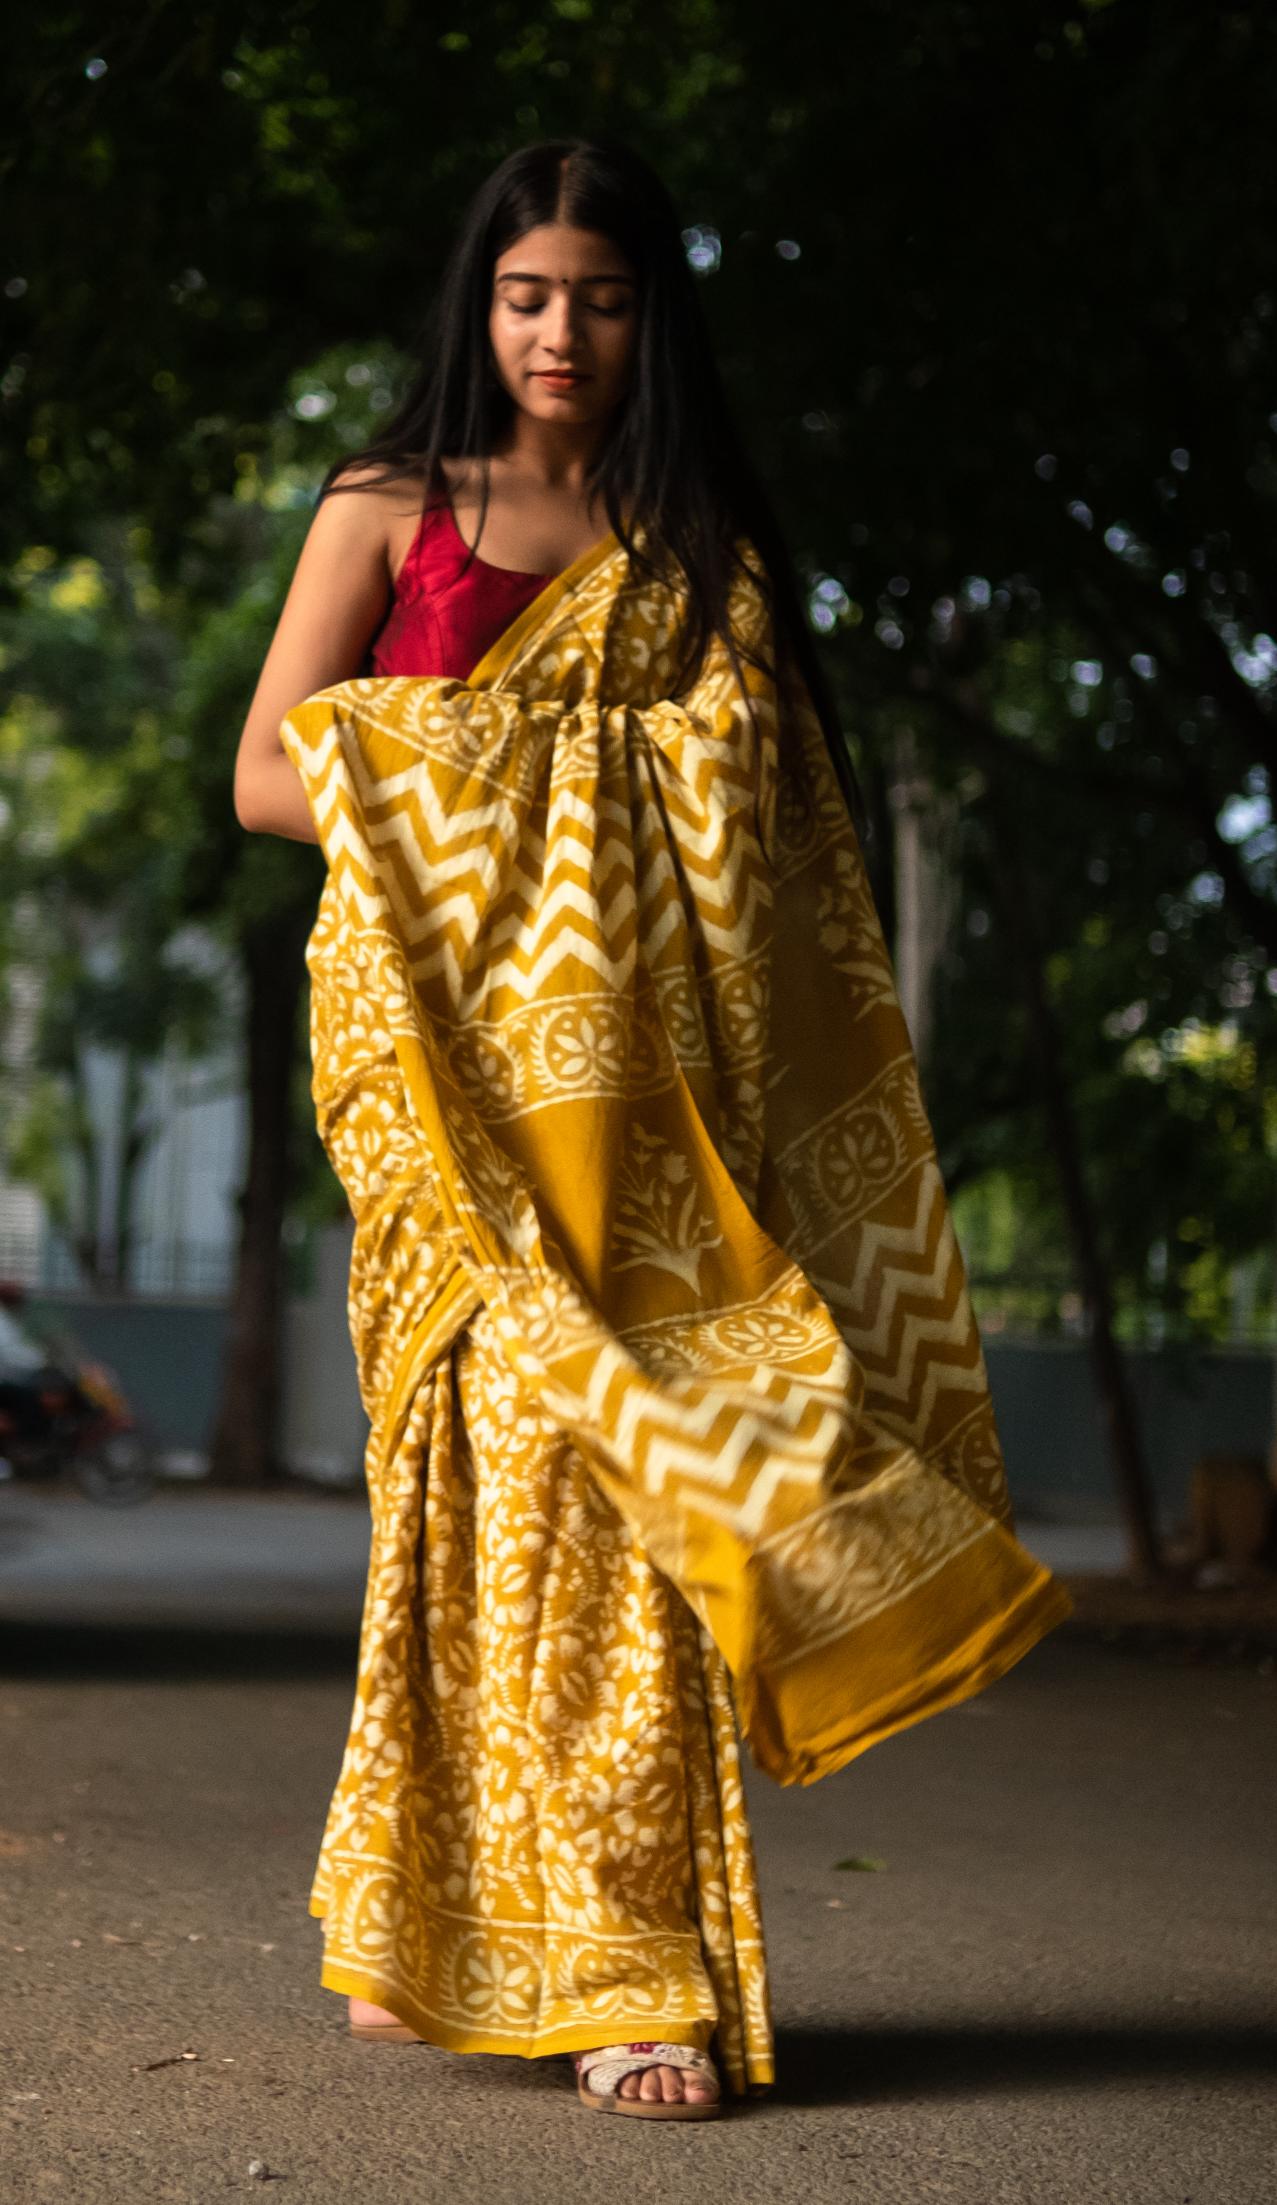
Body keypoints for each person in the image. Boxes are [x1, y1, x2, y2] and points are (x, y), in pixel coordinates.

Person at [234, 134, 1072, 2123]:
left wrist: (550, 784)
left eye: (600, 299)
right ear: (481, 303)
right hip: (426, 1064)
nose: (560, 333)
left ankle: (605, 1957)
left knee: (612, 1480)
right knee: (478, 1460)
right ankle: (468, 1928)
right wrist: (490, 774)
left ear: (649, 316)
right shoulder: (387, 504)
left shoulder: (697, 547)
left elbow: (762, 833)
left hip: (638, 1094)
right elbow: (267, 772)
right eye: (528, 295)